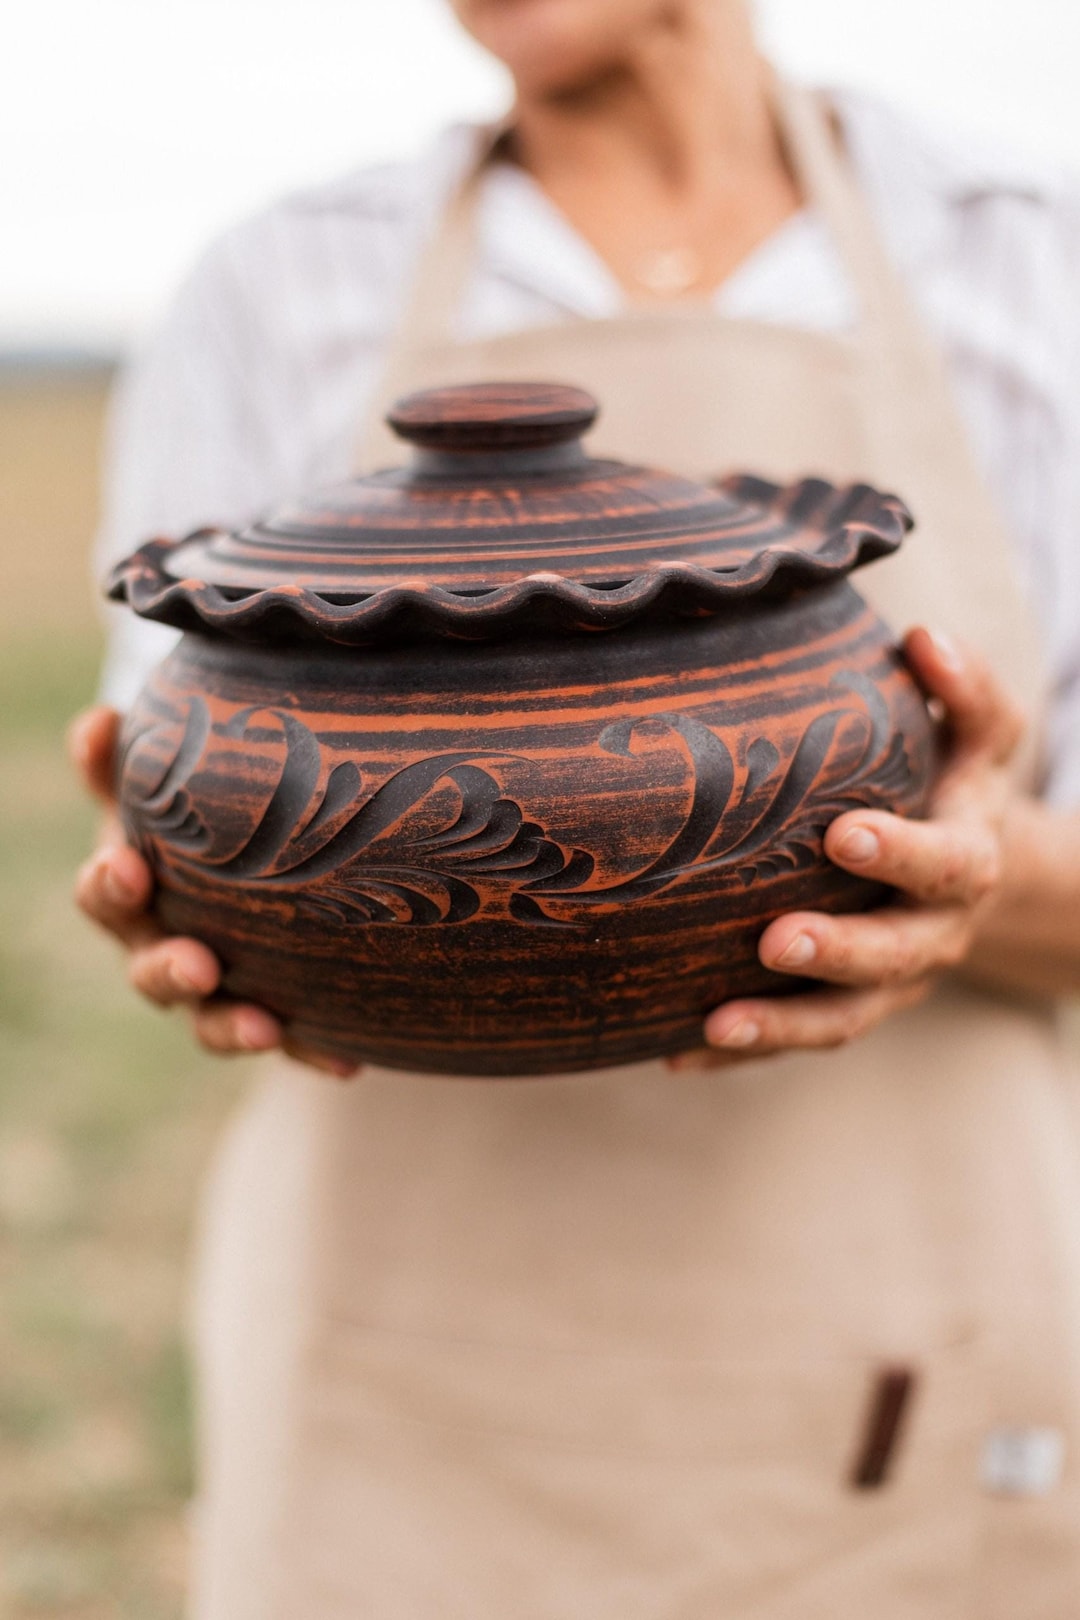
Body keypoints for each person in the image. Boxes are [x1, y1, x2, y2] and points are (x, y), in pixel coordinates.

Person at [70, 0, 1080, 1614]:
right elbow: (149, 768)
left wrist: (973, 881)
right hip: (397, 1381)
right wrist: (176, 882)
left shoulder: (1029, 253)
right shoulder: (280, 277)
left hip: (911, 1325)